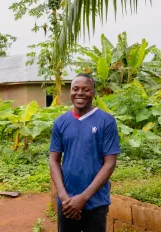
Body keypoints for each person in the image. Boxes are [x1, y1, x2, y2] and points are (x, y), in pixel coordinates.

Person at [49, 73, 121, 232]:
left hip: (95, 202)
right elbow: (54, 160)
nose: (80, 93)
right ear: (71, 92)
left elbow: (110, 164)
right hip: (66, 203)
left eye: (86, 90)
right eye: (75, 89)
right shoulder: (61, 122)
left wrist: (83, 198)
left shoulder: (106, 121)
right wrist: (64, 197)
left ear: (93, 93)